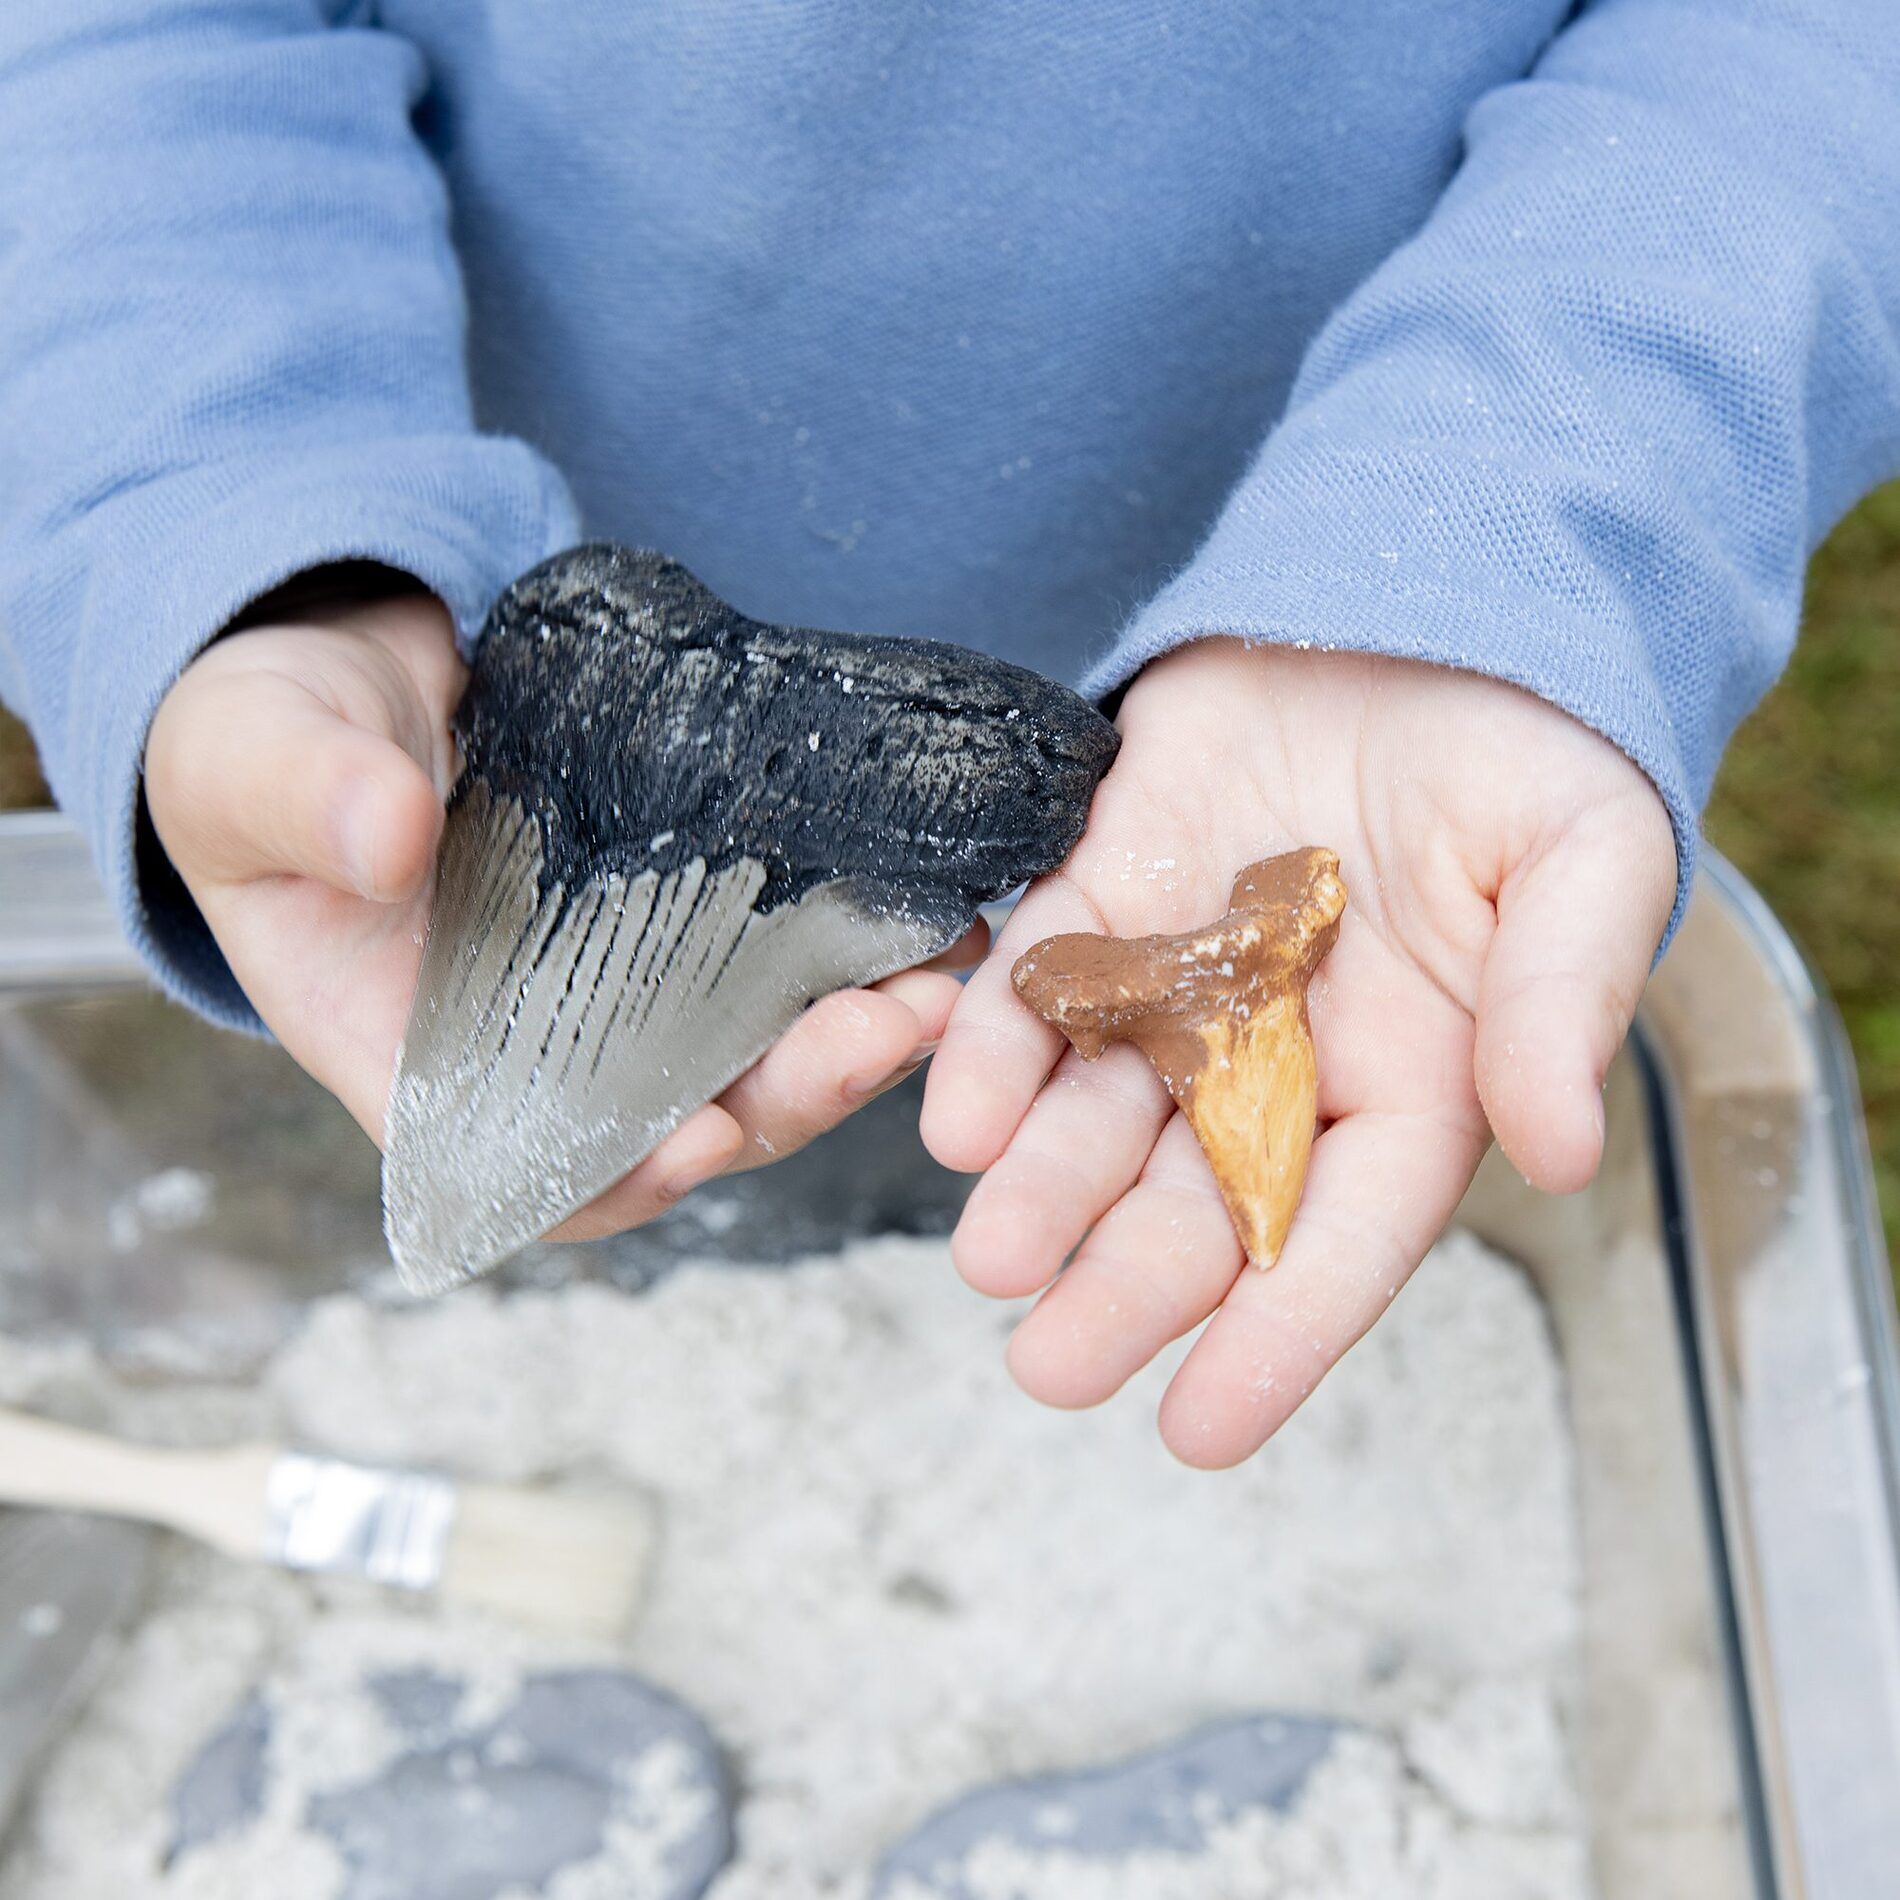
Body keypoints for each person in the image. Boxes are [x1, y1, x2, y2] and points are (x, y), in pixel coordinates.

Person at [2, 4, 1894, 1467]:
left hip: (1342, 559)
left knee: (1020, 1142)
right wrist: (237, 519)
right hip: (522, 657)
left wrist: (1498, 539)